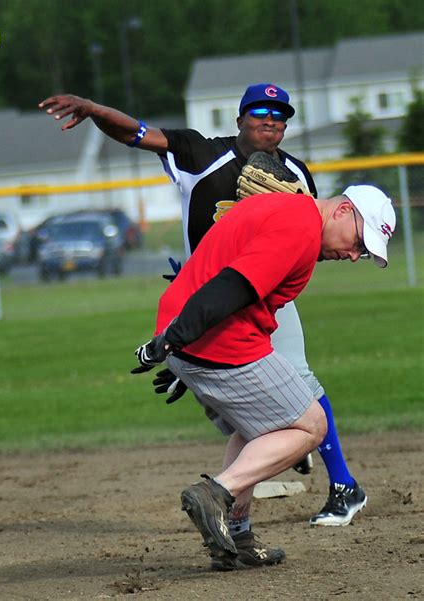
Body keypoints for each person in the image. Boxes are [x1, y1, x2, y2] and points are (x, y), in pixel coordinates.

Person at [39, 82, 372, 552]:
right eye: (260, 110)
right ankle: (238, 501)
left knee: (295, 390)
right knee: (290, 413)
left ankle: (332, 486)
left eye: (281, 113)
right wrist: (95, 110)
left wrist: (188, 344)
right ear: (239, 118)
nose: (271, 119)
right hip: (211, 299)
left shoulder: (295, 172)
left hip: (255, 299)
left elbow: (311, 247)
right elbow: (136, 133)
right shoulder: (200, 153)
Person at [131, 184, 396, 570]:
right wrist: (175, 339)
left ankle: (237, 534)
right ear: (342, 212)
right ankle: (214, 493)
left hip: (203, 336)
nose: (354, 256)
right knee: (311, 426)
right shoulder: (300, 230)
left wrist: (179, 346)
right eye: (359, 242)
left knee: (262, 426)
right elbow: (233, 285)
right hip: (214, 339)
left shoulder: (291, 214)